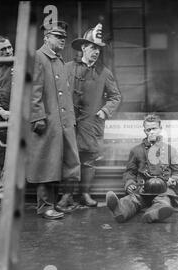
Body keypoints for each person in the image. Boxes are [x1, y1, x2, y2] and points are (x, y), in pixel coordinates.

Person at [58, 23, 121, 209]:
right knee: (69, 159)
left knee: (88, 160)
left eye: (98, 49)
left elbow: (116, 96)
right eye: (92, 48)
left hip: (91, 124)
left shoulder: (104, 72)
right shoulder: (67, 68)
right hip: (69, 123)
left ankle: (85, 194)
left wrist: (104, 111)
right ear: (84, 48)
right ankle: (66, 196)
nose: (96, 52)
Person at [26, 21, 81, 219]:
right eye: (58, 36)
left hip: (63, 123)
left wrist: (70, 120)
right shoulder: (38, 57)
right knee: (46, 164)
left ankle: (60, 202)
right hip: (46, 122)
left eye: (64, 37)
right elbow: (34, 91)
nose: (63, 40)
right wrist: (38, 117)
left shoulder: (57, 60)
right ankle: (44, 207)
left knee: (63, 164)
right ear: (46, 37)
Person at [106, 114, 178, 223]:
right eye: (149, 129)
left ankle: (155, 213)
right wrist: (129, 183)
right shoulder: (136, 150)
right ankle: (119, 210)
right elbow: (130, 172)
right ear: (145, 131)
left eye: (154, 128)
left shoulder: (170, 150)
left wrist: (175, 180)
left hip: (163, 189)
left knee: (163, 202)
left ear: (160, 129)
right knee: (132, 200)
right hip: (142, 188)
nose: (152, 132)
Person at [0, 36, 13, 212]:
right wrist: (1, 111)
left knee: (9, 160)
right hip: (2, 121)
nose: (8, 51)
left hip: (21, 120)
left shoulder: (20, 66)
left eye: (9, 47)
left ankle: (1, 195)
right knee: (2, 159)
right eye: (3, 49)